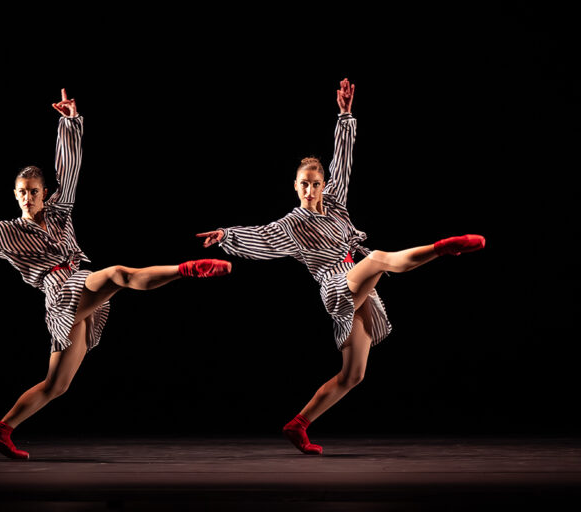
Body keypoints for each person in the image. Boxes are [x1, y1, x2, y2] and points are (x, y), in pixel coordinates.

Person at [0, 89, 231, 460]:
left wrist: (69, 123)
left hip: (78, 285)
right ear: (15, 194)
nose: (28, 198)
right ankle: (188, 269)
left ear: (43, 192)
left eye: (34, 191)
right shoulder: (5, 232)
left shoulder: (59, 212)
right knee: (117, 275)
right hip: (62, 292)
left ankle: (1, 431)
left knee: (57, 385)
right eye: (22, 192)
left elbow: (70, 170)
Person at [197, 78, 485, 455]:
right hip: (336, 286)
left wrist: (345, 116)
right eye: (304, 184)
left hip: (356, 279)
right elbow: (262, 237)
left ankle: (298, 425)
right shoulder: (292, 225)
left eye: (315, 184)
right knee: (378, 259)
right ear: (295, 185)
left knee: (354, 374)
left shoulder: (335, 203)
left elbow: (343, 161)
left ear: (323, 185)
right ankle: (443, 248)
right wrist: (226, 235)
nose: (310, 190)